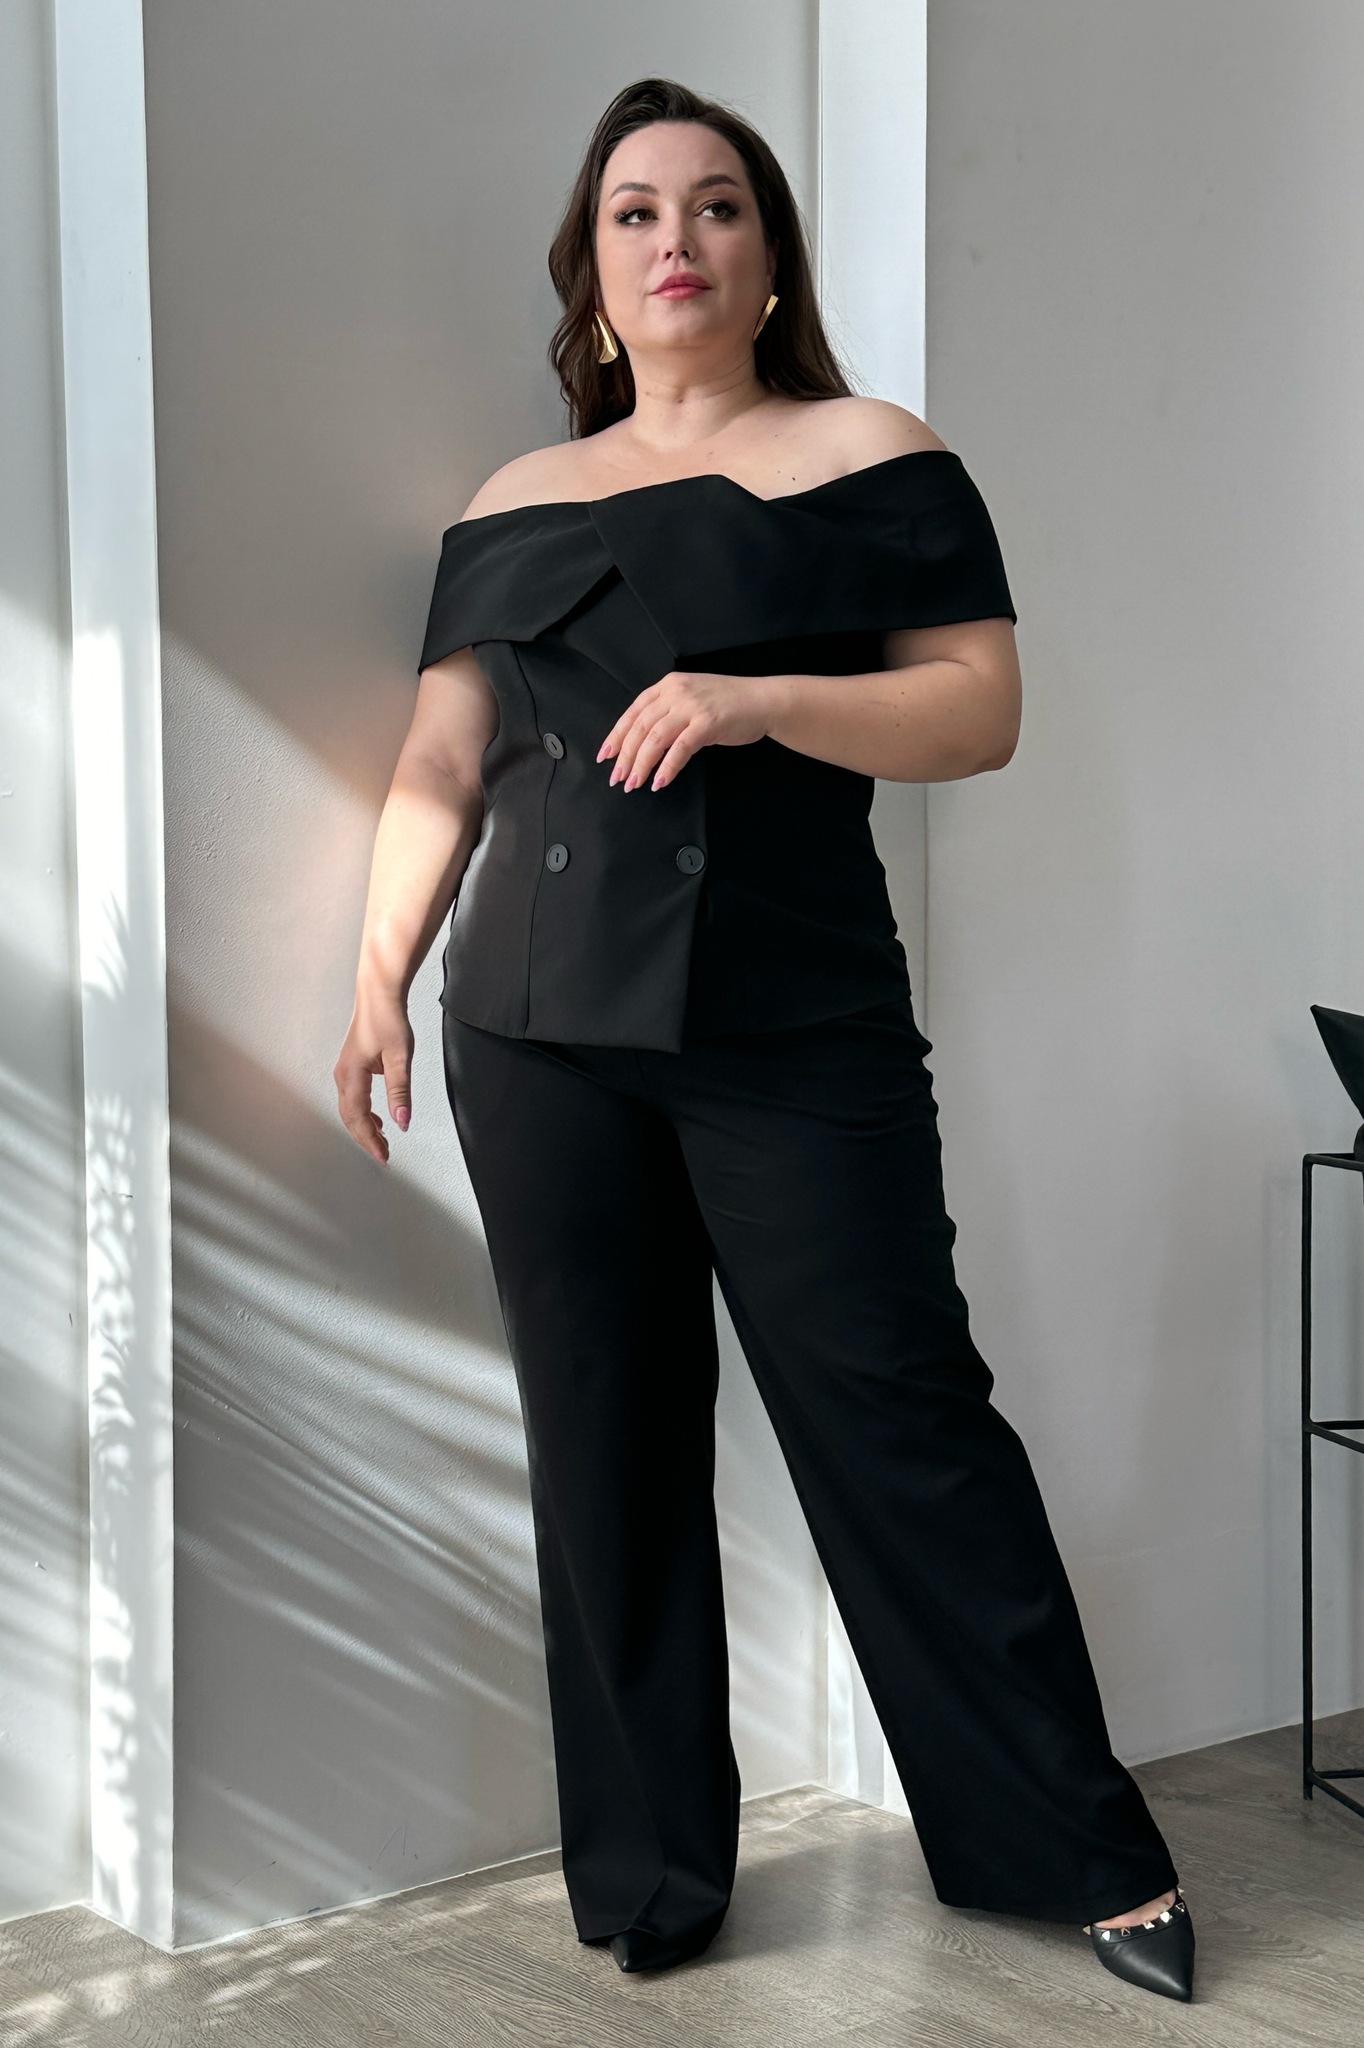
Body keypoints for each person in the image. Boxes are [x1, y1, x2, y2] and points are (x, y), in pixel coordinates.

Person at [333, 76, 1196, 2006]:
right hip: (531, 1028)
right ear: (591, 270)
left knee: (900, 1418)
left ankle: (1074, 1847)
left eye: (717, 205)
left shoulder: (874, 454)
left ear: (770, 253)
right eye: (635, 213)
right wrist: (379, 975)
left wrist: (756, 699)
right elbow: (443, 762)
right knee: (604, 1447)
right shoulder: (510, 501)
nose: (677, 241)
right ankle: (653, 1872)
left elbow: (978, 712)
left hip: (793, 1021)